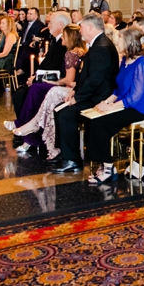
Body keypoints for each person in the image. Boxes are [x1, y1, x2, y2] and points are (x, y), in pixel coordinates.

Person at [49, 14, 119, 175]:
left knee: (66, 114)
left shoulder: (101, 47)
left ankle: (73, 160)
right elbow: (86, 75)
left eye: (81, 28)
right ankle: (65, 153)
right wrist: (74, 90)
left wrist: (77, 98)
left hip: (99, 98)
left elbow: (95, 80)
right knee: (59, 109)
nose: (80, 32)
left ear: (90, 28)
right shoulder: (97, 44)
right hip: (92, 93)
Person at [83, 27, 144, 184]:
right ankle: (104, 163)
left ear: (129, 42)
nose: (116, 42)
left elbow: (135, 97)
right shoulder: (125, 60)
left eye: (120, 39)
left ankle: (108, 167)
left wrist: (112, 107)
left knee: (100, 123)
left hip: (138, 109)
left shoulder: (142, 64)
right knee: (93, 120)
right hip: (123, 104)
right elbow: (118, 88)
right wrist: (107, 101)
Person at [10, 24, 85, 159]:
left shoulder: (71, 53)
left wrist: (55, 82)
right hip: (71, 86)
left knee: (36, 89)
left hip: (69, 88)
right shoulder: (80, 50)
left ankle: (25, 127)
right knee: (34, 91)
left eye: (65, 36)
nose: (62, 39)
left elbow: (69, 79)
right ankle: (28, 132)